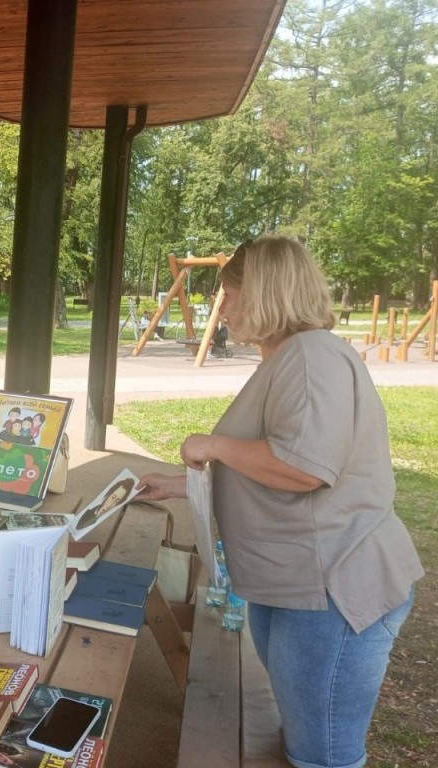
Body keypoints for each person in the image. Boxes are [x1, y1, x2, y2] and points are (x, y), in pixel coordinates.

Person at [137, 236, 423, 768]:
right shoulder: (294, 356)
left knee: (324, 756)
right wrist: (184, 485)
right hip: (297, 588)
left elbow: (305, 466)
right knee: (303, 741)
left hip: (332, 592)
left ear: (263, 291)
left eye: (228, 292)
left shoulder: (313, 357)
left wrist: (213, 444)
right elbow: (271, 465)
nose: (224, 306)